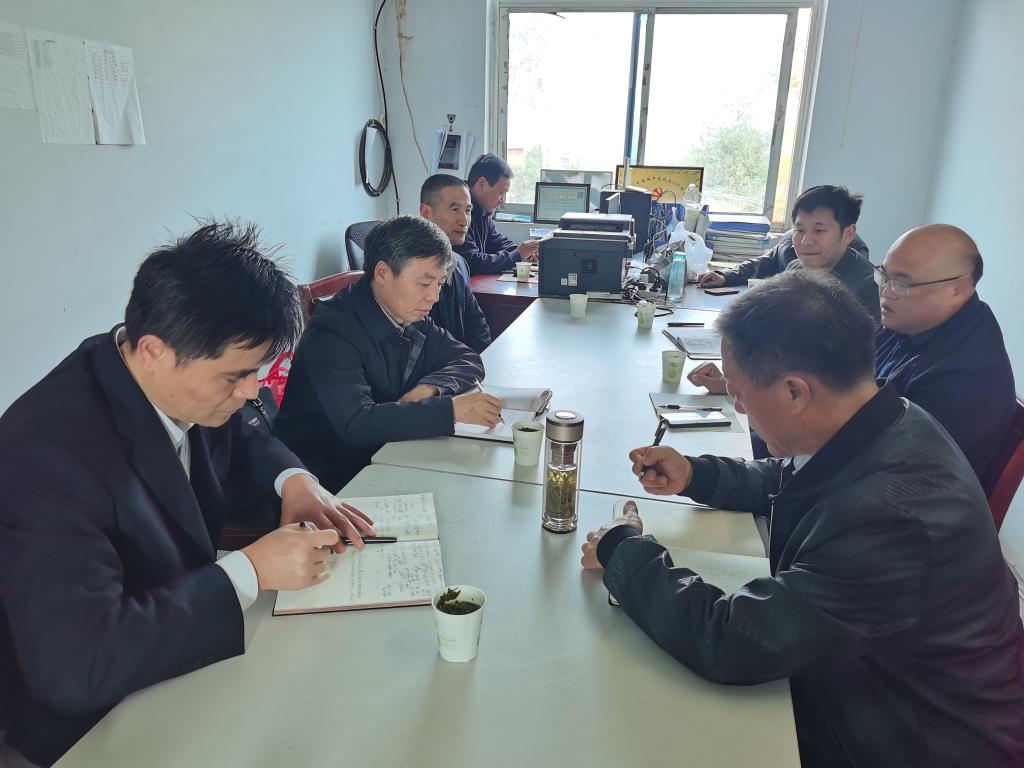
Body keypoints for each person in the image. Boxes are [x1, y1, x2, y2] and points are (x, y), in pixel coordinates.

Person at [581, 271, 1024, 767]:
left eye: (740, 393)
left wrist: (623, 548)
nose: (739, 406)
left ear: (796, 392)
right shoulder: (887, 417)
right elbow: (797, 474)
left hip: (903, 739)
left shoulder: (894, 520)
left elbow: (732, 640)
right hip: (869, 686)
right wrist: (697, 475)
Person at [0, 221, 376, 767]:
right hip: (98, 721)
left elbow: (241, 437)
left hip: (182, 653)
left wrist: (294, 480)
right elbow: (77, 666)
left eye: (257, 372)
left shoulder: (160, 372)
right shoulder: (47, 460)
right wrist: (251, 571)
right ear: (154, 351)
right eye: (236, 377)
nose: (251, 392)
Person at [691, 224, 1016, 491]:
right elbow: (830, 375)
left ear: (958, 289)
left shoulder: (967, 380)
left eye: (902, 283)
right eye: (883, 275)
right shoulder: (909, 321)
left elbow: (875, 469)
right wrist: (745, 383)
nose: (885, 291)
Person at [274, 215, 501, 492]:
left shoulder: (408, 315)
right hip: (326, 479)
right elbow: (357, 423)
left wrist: (430, 388)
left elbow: (468, 359)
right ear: (382, 273)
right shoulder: (332, 331)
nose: (434, 296)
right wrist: (451, 410)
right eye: (424, 283)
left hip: (386, 453)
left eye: (440, 283)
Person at [698, 184, 879, 321]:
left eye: (819, 231)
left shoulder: (867, 289)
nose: (806, 241)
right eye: (799, 230)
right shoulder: (796, 268)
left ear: (848, 234)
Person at [419, 174, 492, 352]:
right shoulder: (413, 270)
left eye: (467, 210)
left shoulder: (458, 263)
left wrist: (483, 359)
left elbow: (477, 325)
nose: (464, 220)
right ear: (426, 213)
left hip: (459, 362)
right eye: (455, 209)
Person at [454, 153, 540, 275]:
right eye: (501, 193)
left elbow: (497, 241)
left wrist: (526, 252)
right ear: (482, 183)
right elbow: (473, 262)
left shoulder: (483, 211)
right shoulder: (460, 213)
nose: (503, 201)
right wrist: (518, 255)